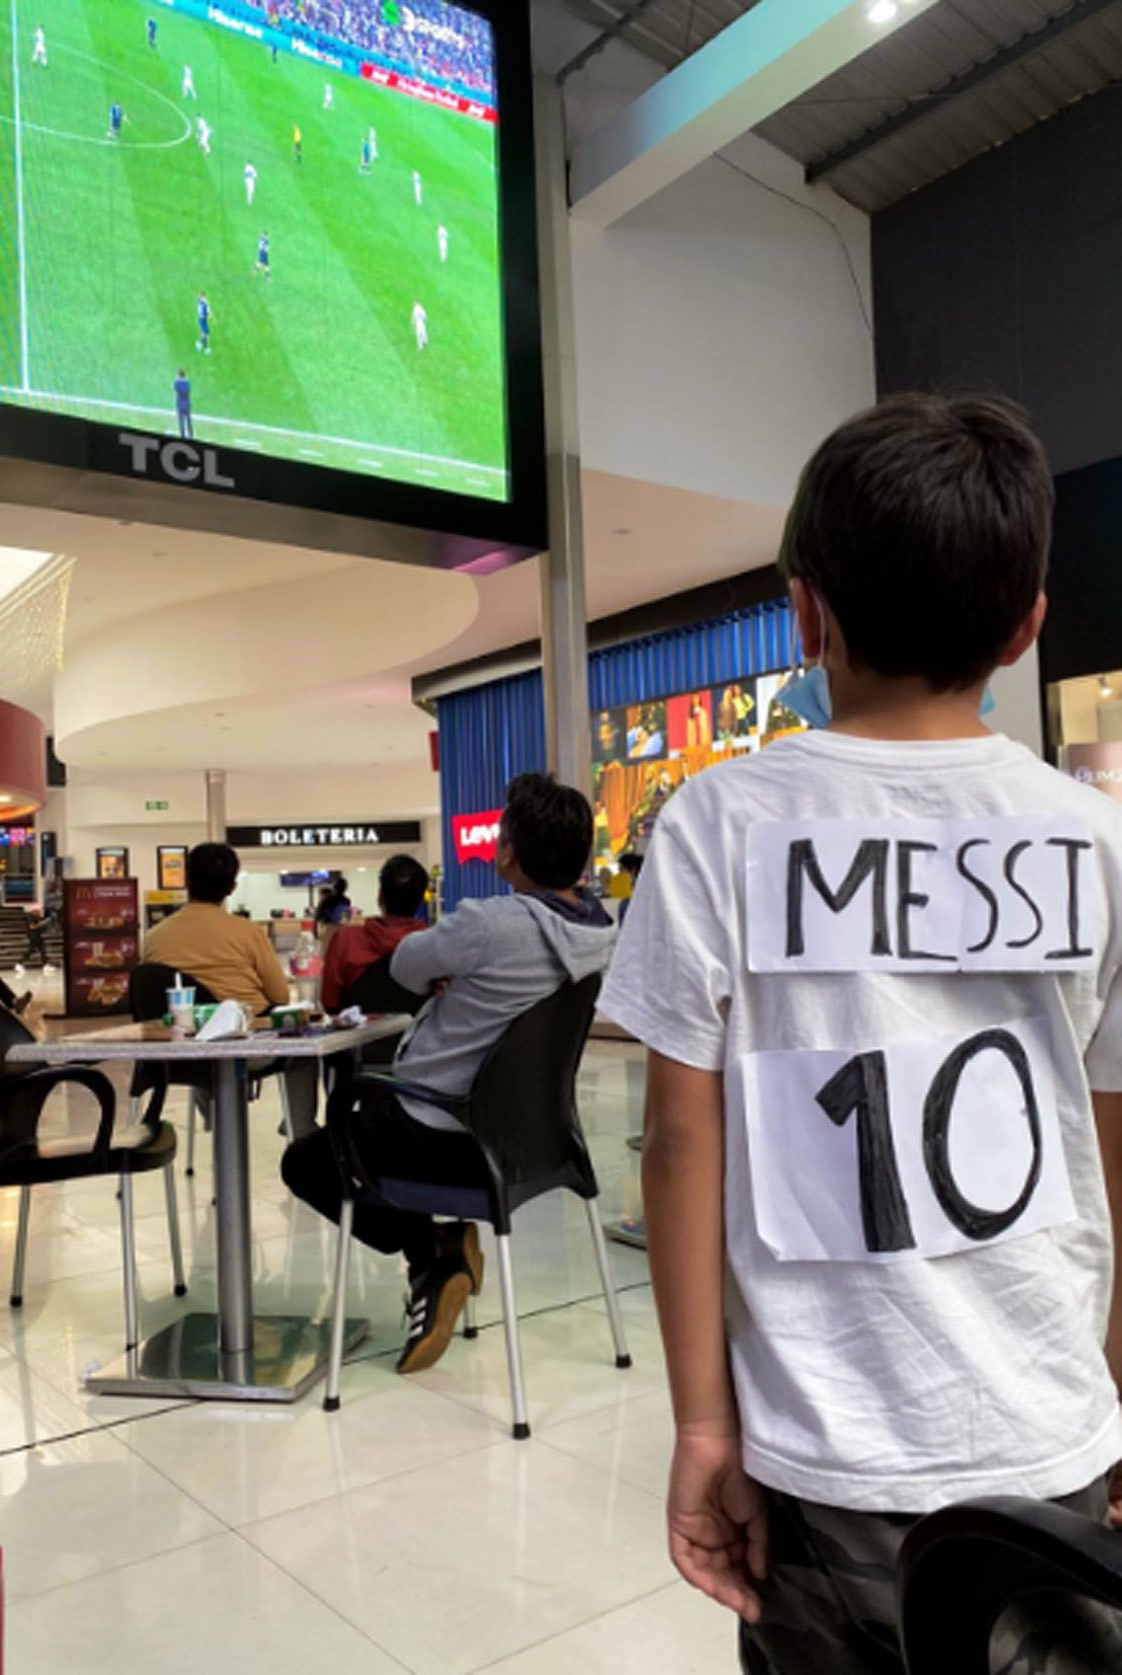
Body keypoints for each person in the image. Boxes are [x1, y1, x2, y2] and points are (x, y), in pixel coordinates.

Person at [601, 392, 1122, 1675]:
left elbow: (679, 1140)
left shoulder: (720, 820)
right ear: (1027, 625)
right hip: (1050, 1431)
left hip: (818, 1450)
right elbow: (1113, 1142)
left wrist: (702, 1427)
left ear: (804, 612)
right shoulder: (1100, 840)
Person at [282, 774, 616, 1375]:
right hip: (540, 1140)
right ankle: (436, 1259)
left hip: (444, 1130)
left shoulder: (490, 924)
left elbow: (408, 965)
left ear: (507, 849)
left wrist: (455, 970)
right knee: (362, 1139)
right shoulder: (600, 932)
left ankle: (434, 1253)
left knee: (308, 1160)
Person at [144, 843, 317, 1136]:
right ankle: (300, 1127)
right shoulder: (247, 932)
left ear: (186, 880)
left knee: (201, 1038)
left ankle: (213, 1112)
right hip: (247, 1048)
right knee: (303, 1048)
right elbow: (279, 996)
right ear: (232, 887)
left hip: (178, 1053)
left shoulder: (152, 938)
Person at [322, 854, 427, 1012]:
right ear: (420, 901)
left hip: (360, 1036)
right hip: (421, 1035)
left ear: (379, 898)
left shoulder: (346, 940)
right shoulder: (434, 946)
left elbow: (330, 1002)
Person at [173, 370, 192, 440]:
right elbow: (188, 390)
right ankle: (190, 434)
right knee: (188, 420)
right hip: (187, 403)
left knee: (181, 420)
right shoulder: (187, 382)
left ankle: (182, 435)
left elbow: (175, 389)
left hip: (180, 403)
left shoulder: (177, 382)